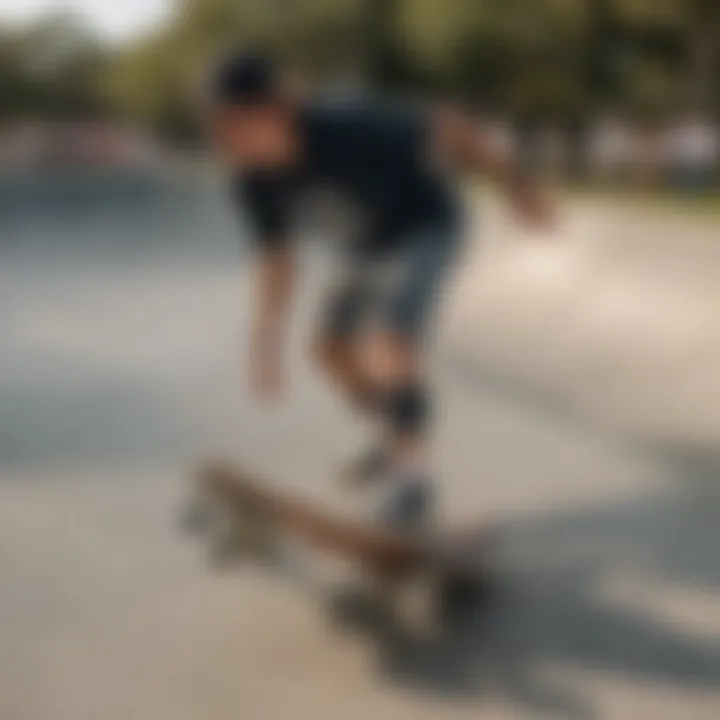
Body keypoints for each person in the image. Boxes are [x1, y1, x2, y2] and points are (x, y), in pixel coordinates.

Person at [208, 52, 554, 530]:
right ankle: (394, 438)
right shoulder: (251, 181)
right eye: (222, 127)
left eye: (241, 124)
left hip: (426, 227)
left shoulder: (345, 125)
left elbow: (450, 127)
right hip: (366, 247)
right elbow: (276, 259)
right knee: (328, 350)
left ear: (279, 109)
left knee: (390, 337)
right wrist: (266, 340)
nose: (233, 140)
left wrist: (516, 184)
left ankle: (414, 482)